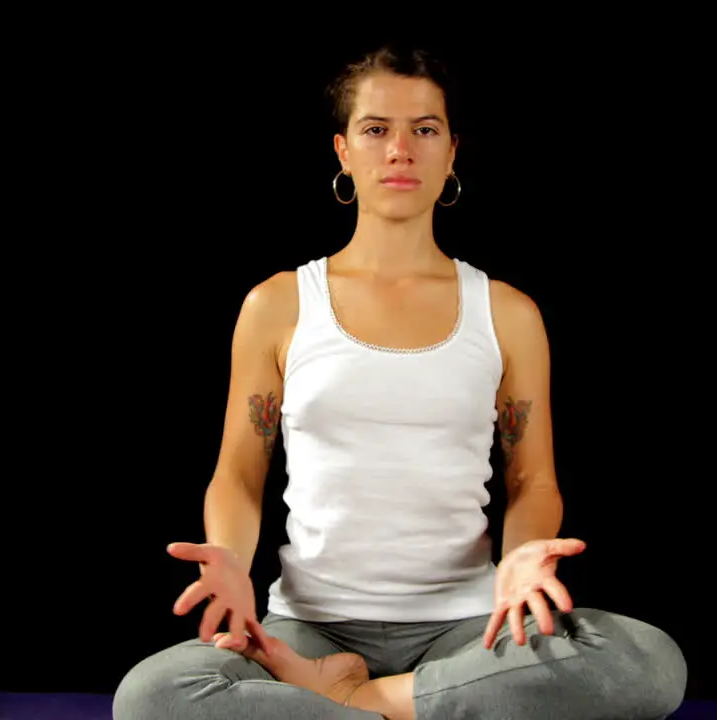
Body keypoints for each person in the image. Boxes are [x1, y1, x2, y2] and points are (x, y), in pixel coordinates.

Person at [113, 44, 687, 720]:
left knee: (650, 664)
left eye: (425, 129)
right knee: (149, 698)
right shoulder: (277, 305)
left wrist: (524, 558)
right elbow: (240, 473)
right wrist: (232, 562)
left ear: (451, 153)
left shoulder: (508, 313)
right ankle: (438, 710)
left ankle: (359, 701)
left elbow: (533, 479)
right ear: (343, 151)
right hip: (308, 629)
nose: (400, 150)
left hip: (470, 631)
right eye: (376, 129)